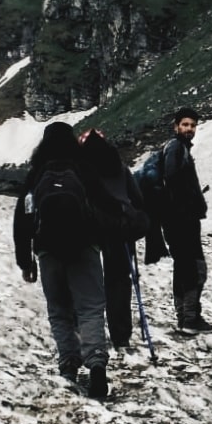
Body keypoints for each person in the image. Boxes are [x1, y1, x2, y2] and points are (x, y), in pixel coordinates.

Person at [13, 122, 111, 399]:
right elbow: (104, 207)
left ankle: (68, 365)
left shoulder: (36, 175)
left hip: (48, 252)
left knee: (59, 310)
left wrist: (25, 261)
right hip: (84, 248)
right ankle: (97, 369)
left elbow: (23, 220)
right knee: (90, 307)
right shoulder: (84, 170)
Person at [78, 128, 149, 350]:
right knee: (118, 282)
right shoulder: (120, 168)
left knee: (89, 282)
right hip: (121, 230)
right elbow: (138, 199)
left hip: (92, 230)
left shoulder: (82, 170)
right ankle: (121, 337)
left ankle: (89, 333)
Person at [161, 106, 212, 334]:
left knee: (183, 267)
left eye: (193, 125)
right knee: (195, 269)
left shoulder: (178, 148)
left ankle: (184, 317)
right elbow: (172, 180)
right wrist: (186, 208)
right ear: (176, 126)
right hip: (182, 220)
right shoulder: (176, 149)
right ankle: (190, 319)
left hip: (177, 219)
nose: (189, 129)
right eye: (185, 125)